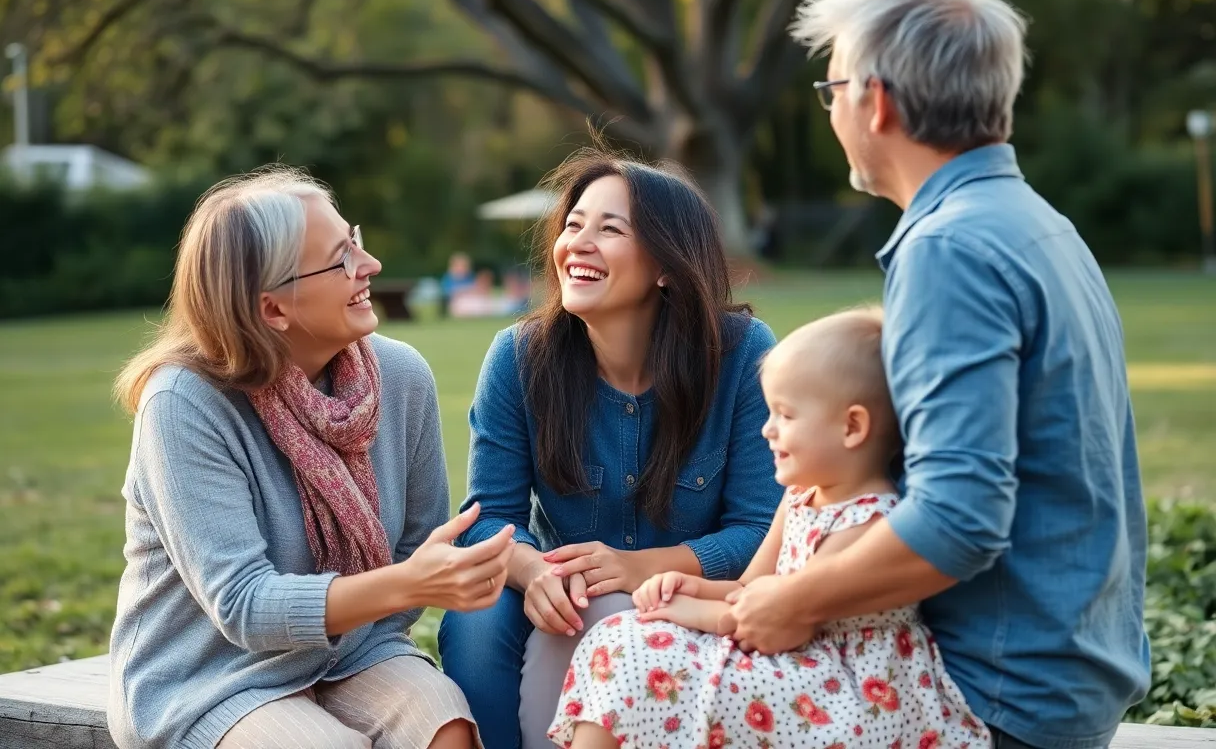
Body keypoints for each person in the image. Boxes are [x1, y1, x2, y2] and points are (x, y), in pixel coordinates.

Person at [721, 0, 1150, 749]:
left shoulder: (949, 248)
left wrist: (794, 599)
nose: (831, 109)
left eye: (832, 89)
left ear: (876, 101)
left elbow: (959, 519)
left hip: (992, 694)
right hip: (1066, 676)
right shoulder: (1036, 222)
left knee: (639, 666)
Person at [107, 166, 516, 749]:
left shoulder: (401, 377)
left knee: (446, 726)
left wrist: (407, 585)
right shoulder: (184, 402)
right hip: (210, 676)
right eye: (340, 259)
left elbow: (414, 545)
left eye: (355, 240)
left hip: (354, 650)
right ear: (273, 310)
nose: (369, 264)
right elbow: (243, 604)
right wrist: (406, 584)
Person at [438, 146, 784, 749]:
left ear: (666, 264)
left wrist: (643, 567)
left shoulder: (741, 354)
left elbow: (761, 529)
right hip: (562, 586)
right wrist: (533, 570)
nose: (579, 243)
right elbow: (488, 519)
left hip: (695, 596)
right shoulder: (519, 357)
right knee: (476, 618)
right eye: (573, 225)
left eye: (610, 229)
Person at [549, 308, 991, 749]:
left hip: (846, 696)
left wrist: (684, 611)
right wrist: (690, 586)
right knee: (622, 639)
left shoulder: (868, 520)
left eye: (786, 416)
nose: (767, 431)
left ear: (852, 427)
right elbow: (750, 588)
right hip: (791, 661)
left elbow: (784, 620)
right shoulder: (801, 495)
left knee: (633, 653)